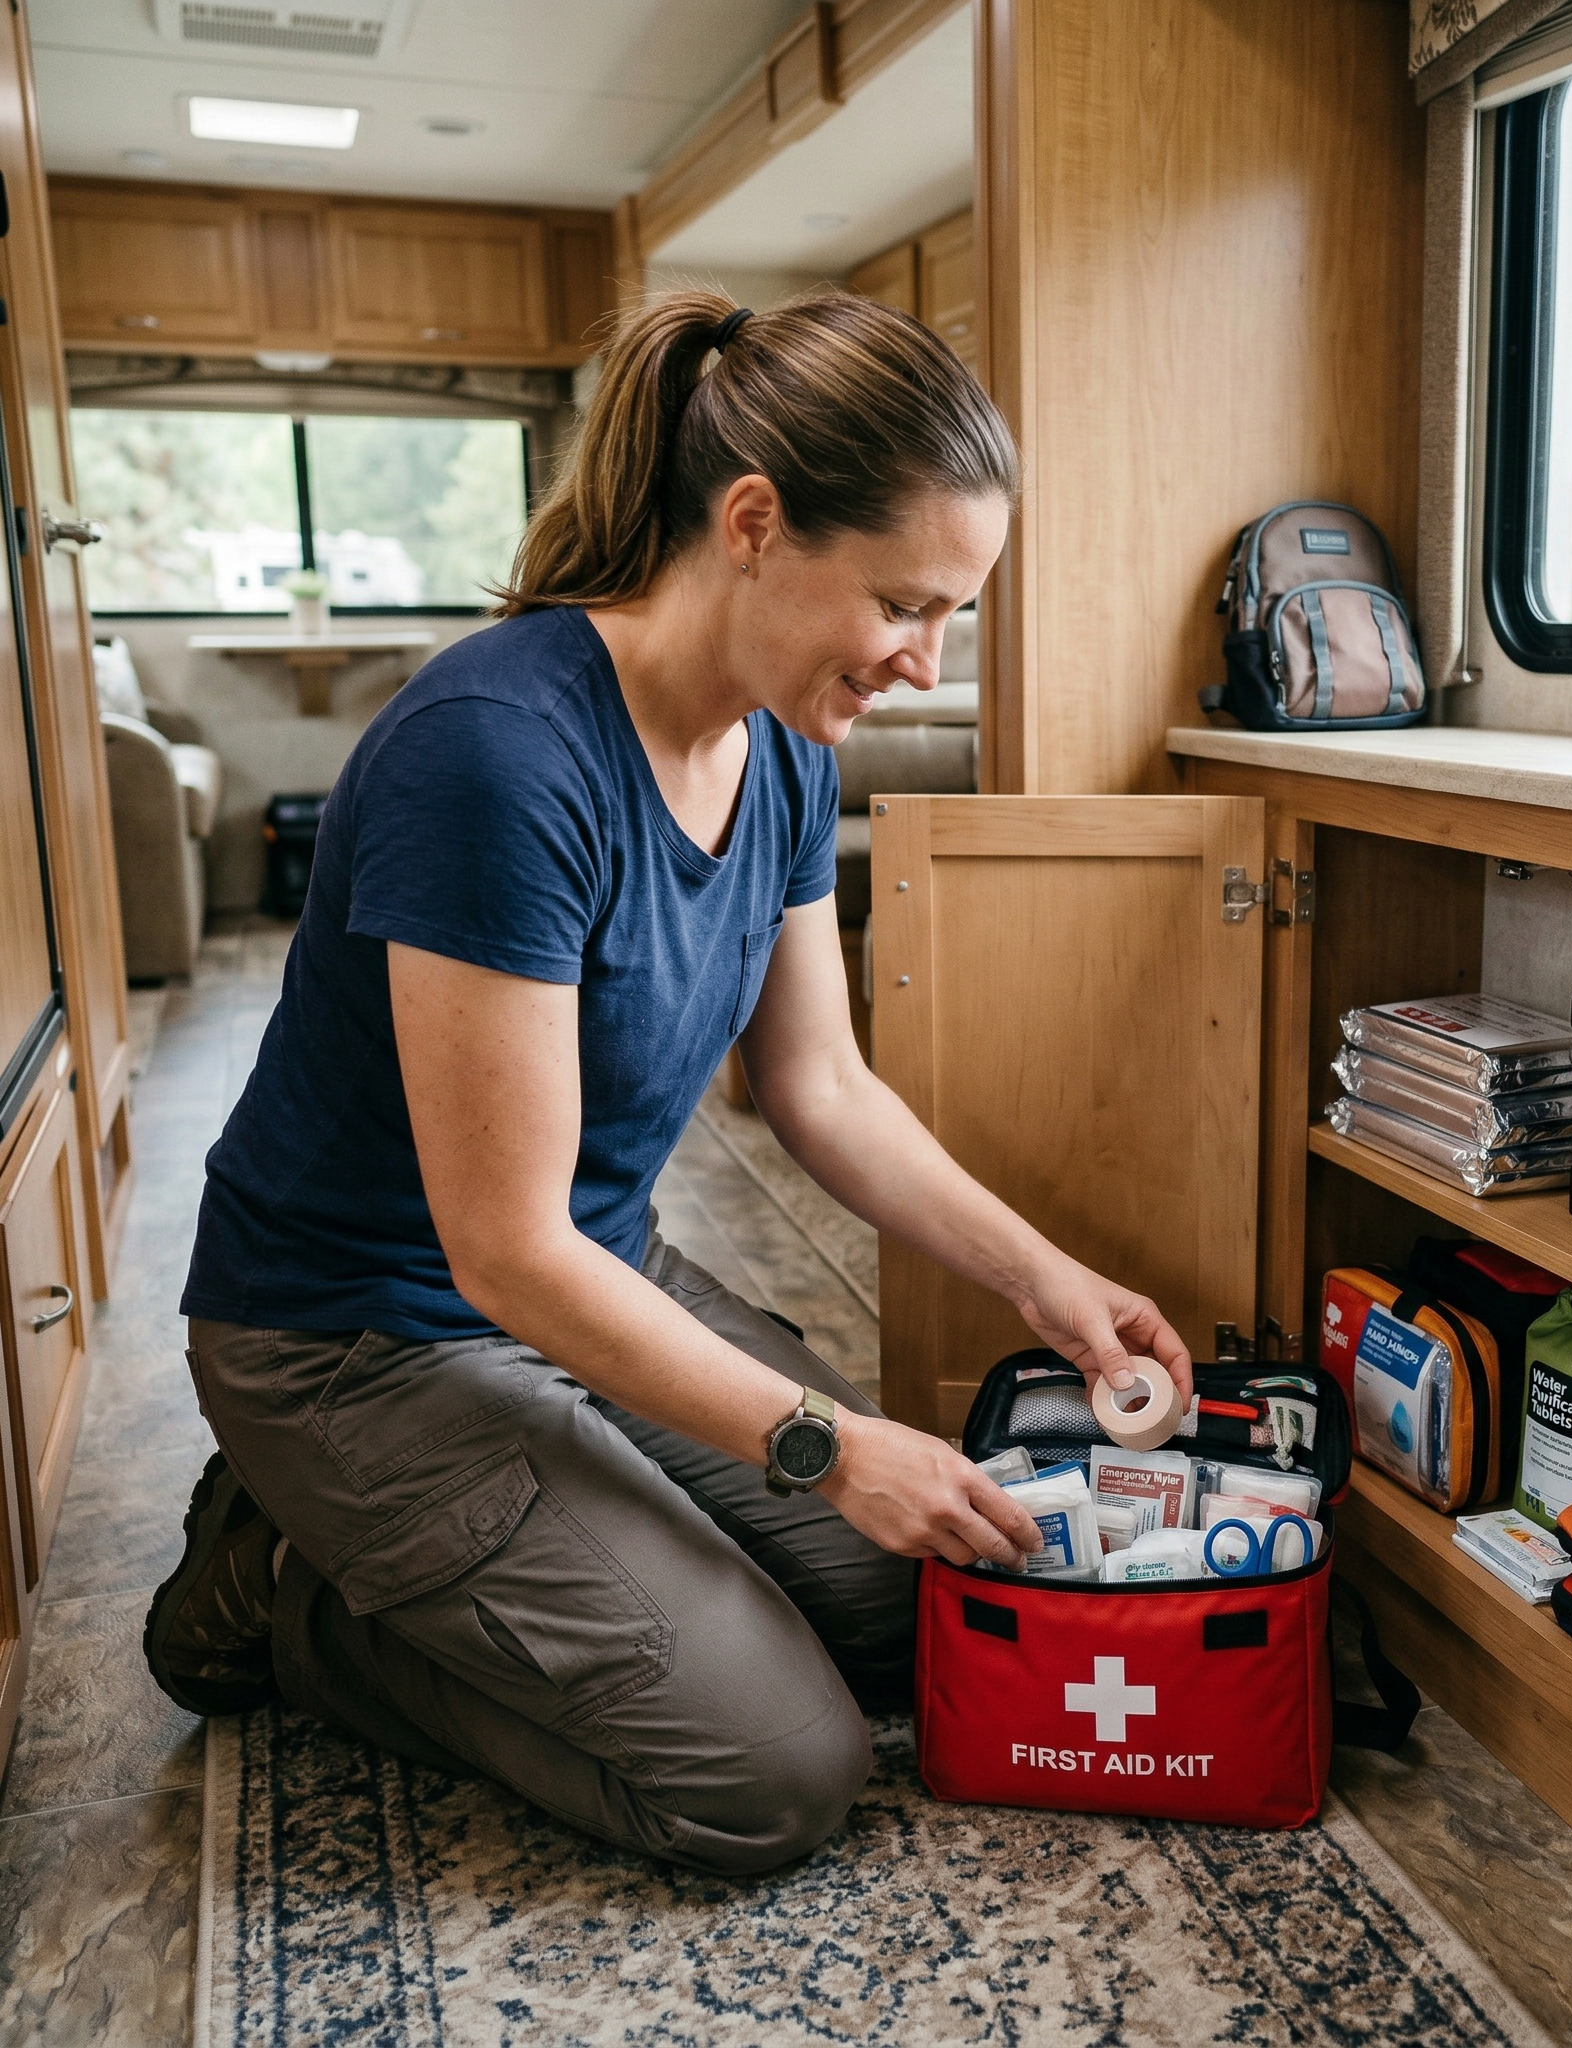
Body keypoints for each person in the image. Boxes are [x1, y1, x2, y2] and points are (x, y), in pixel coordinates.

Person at [144, 289, 1193, 1876]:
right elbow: (502, 1250)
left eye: (953, 617)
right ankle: (285, 1588)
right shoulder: (496, 756)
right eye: (909, 604)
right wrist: (832, 1445)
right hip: (360, 1339)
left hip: (589, 1286)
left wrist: (1051, 1282)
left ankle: (513, 1543)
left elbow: (824, 1088)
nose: (925, 664)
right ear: (755, 523)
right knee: (774, 1773)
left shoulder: (782, 751)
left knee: (921, 1612)